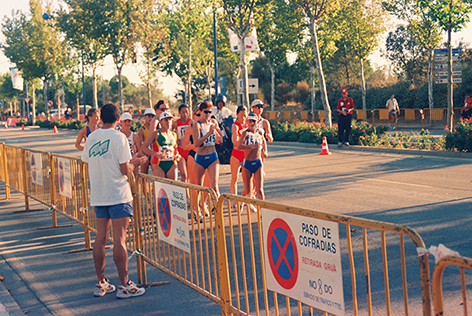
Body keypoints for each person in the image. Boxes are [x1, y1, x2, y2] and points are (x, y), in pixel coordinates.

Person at [81, 103, 146, 299]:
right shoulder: (119, 137)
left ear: (100, 119)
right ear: (118, 120)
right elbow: (125, 170)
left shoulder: (92, 137)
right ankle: (123, 284)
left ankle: (101, 282)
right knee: (120, 238)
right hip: (118, 193)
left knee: (100, 238)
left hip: (99, 193)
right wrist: (135, 163)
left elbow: (86, 160)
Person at [238, 112, 267, 210]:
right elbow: (239, 146)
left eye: (253, 121)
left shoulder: (260, 132)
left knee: (259, 189)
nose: (251, 123)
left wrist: (265, 150)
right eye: (249, 121)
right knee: (248, 191)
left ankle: (263, 212)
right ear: (247, 122)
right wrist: (251, 146)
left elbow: (263, 141)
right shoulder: (245, 133)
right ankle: (241, 200)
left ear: (257, 122)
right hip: (247, 164)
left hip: (258, 162)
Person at [193, 100, 223, 197]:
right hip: (200, 158)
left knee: (214, 186)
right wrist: (209, 133)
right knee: (199, 188)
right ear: (200, 111)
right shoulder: (197, 125)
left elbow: (220, 139)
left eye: (210, 112)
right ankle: (198, 210)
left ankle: (217, 208)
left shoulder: (213, 122)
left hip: (212, 156)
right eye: (205, 112)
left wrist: (218, 135)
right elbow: (196, 143)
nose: (207, 114)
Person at [141, 112, 180, 180]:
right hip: (158, 164)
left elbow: (175, 149)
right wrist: (155, 154)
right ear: (160, 122)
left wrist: (178, 155)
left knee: (172, 187)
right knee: (161, 188)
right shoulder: (155, 134)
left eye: (170, 119)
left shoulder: (174, 134)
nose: (168, 122)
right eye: (165, 120)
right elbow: (143, 147)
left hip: (171, 163)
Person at [230, 106, 248, 196]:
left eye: (245, 115)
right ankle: (234, 199)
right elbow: (235, 142)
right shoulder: (235, 126)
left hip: (246, 154)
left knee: (248, 179)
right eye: (241, 115)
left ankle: (248, 200)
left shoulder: (248, 124)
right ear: (237, 115)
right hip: (237, 154)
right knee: (235, 177)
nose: (243, 118)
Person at [172, 104, 191, 182]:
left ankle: (190, 192)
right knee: (184, 174)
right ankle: (185, 194)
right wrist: (174, 139)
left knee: (190, 175)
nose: (185, 114)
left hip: (190, 150)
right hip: (181, 150)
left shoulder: (191, 122)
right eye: (183, 112)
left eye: (186, 112)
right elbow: (168, 132)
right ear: (179, 112)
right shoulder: (176, 123)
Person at [137, 108, 156, 174]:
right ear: (145, 116)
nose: (150, 118)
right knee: (144, 174)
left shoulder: (157, 128)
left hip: (155, 152)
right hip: (146, 153)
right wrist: (142, 154)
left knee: (156, 175)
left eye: (152, 116)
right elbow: (139, 144)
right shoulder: (142, 130)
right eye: (148, 116)